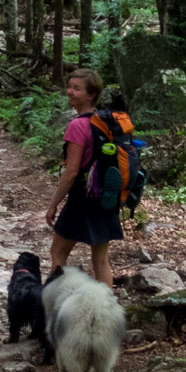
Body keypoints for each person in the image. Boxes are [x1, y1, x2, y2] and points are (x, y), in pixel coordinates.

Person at [44, 66, 119, 286]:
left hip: (82, 199)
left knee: (58, 253)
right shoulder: (105, 122)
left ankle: (58, 306)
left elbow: (72, 172)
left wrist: (53, 205)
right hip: (106, 197)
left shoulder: (78, 125)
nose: (69, 91)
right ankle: (106, 314)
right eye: (69, 87)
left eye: (77, 89)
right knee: (101, 260)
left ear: (91, 94)